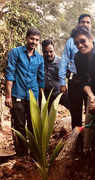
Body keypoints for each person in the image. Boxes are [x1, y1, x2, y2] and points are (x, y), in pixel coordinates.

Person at [5, 28, 44, 156]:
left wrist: (42, 99)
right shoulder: (15, 53)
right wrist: (8, 96)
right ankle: (21, 154)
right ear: (26, 38)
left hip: (33, 96)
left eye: (37, 40)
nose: (34, 42)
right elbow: (10, 74)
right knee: (20, 126)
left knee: (33, 125)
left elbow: (41, 78)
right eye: (32, 38)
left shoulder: (39, 58)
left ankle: (33, 154)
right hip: (18, 94)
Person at [59, 13, 93, 129]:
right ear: (78, 24)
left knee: (91, 111)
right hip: (74, 80)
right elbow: (64, 60)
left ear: (91, 25)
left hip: (89, 81)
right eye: (83, 22)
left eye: (88, 22)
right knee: (75, 111)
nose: (85, 24)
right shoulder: (70, 41)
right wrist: (62, 82)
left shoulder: (93, 41)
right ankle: (76, 141)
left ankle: (90, 143)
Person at [41, 39, 69, 108]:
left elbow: (70, 75)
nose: (49, 54)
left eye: (51, 51)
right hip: (46, 95)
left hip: (60, 92)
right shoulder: (39, 62)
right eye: (46, 52)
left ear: (54, 50)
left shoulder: (61, 62)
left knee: (73, 108)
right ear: (42, 51)